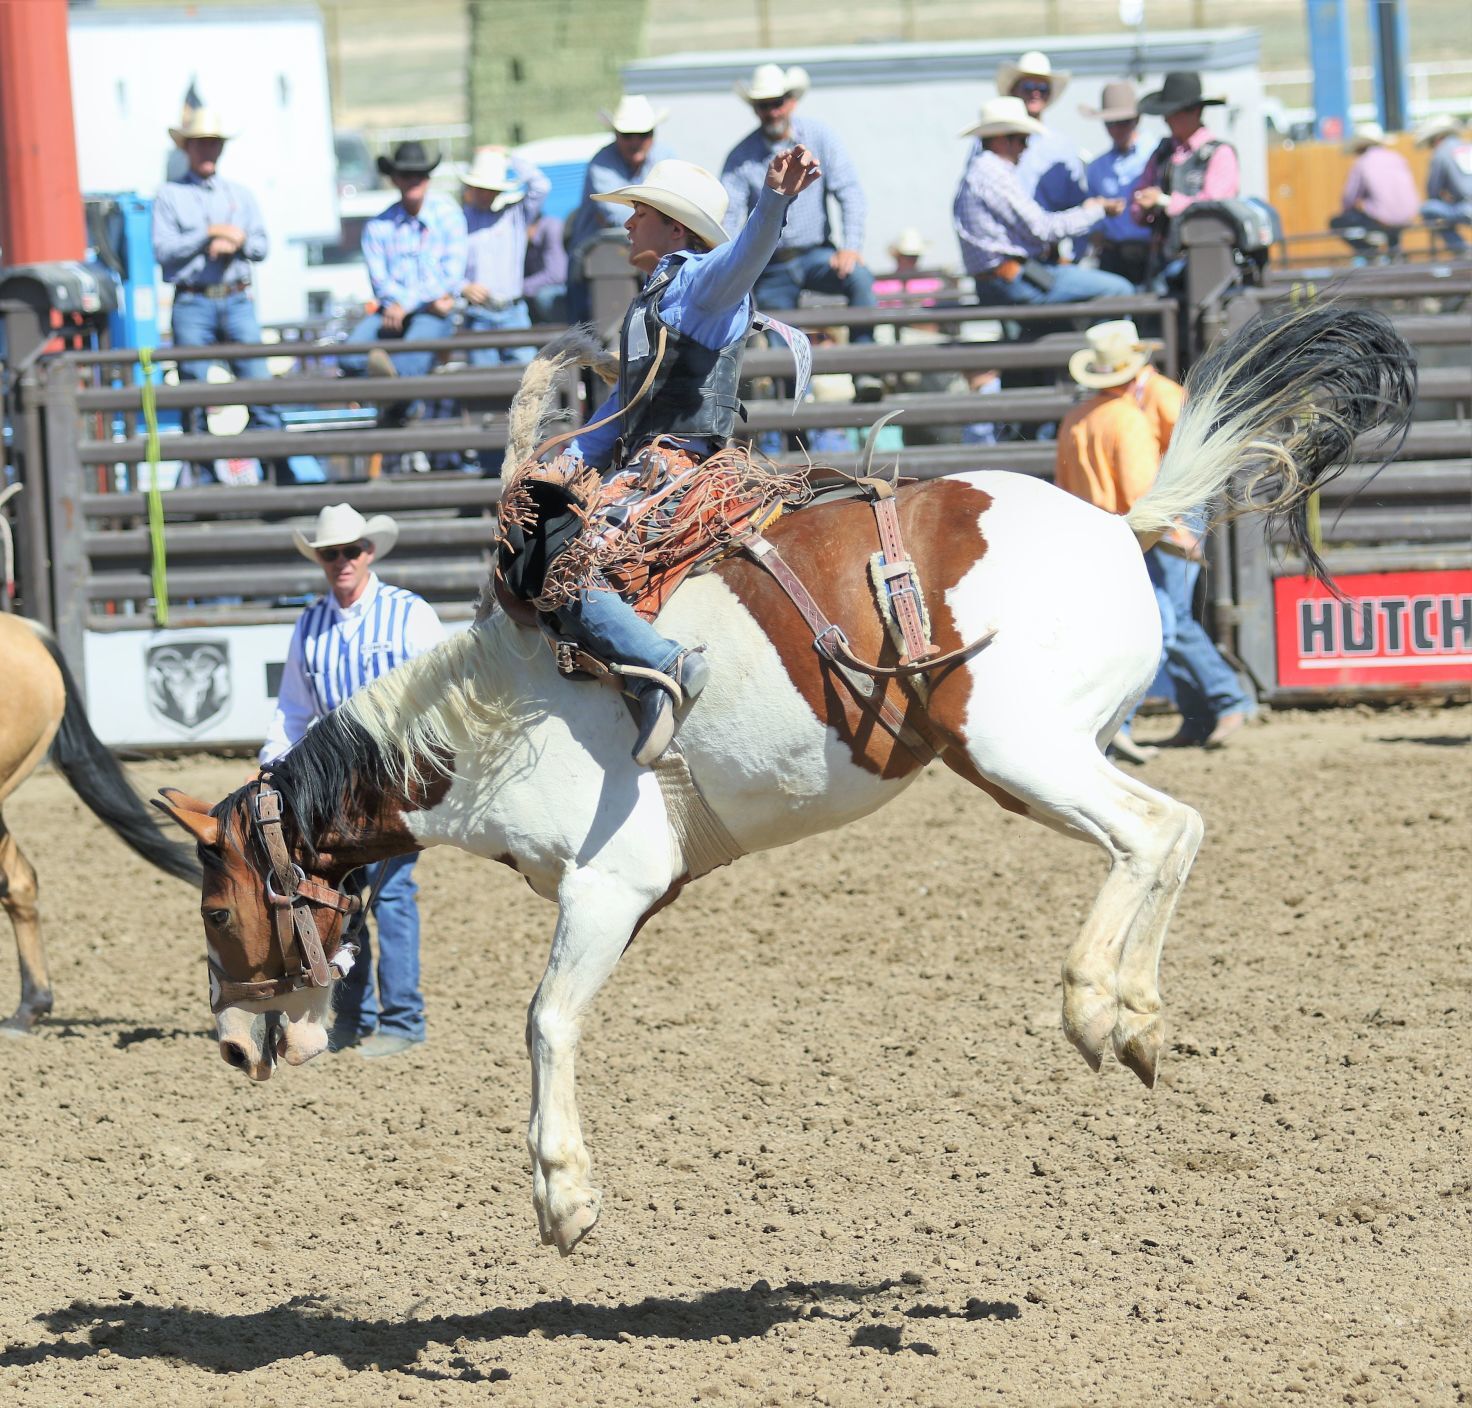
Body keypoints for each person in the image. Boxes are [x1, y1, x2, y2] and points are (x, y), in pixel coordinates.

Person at [498, 149, 823, 766]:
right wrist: (564, 463)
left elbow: (743, 259)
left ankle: (662, 665)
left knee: (561, 557)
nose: (626, 224)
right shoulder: (662, 296)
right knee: (536, 538)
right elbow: (623, 403)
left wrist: (775, 202)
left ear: (676, 228)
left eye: (639, 213)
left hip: (678, 463)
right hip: (645, 457)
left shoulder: (701, 283)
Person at [261, 503, 446, 1057]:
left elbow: (441, 695)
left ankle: (402, 1020)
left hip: (396, 781)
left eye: (350, 551)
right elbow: (293, 710)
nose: (341, 561)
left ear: (368, 553)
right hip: (333, 794)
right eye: (331, 553)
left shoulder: (409, 613)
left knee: (389, 895)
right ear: (320, 558)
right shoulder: (311, 624)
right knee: (342, 898)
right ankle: (357, 1018)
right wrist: (272, 760)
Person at [1058, 320, 1251, 754]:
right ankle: (1213, 707)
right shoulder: (1134, 410)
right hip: (1152, 513)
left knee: (1167, 618)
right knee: (1171, 618)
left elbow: (1191, 460)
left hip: (1167, 511)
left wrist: (1179, 526)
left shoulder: (1145, 402)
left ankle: (1140, 718)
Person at [152, 108, 324, 486]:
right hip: (193, 300)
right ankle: (200, 474)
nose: (207, 150)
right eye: (200, 144)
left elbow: (261, 245)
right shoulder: (169, 195)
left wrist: (237, 240)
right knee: (194, 392)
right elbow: (163, 251)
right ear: (188, 148)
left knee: (258, 385)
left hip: (235, 297)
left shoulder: (240, 195)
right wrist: (210, 234)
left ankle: (275, 468)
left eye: (213, 143)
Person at [721, 63, 879, 372]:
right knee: (781, 341)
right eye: (764, 105)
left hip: (816, 254)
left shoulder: (818, 136)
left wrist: (851, 247)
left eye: (776, 103)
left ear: (790, 101)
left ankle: (865, 369)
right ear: (755, 109)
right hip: (772, 265)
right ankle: (796, 402)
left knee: (859, 277)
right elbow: (728, 216)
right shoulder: (740, 157)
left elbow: (850, 193)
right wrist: (731, 263)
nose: (772, 112)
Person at [953, 97, 1133, 308]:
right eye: (1022, 139)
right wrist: (1096, 210)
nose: (1025, 148)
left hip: (1005, 278)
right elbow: (1044, 228)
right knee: (1121, 290)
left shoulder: (980, 171)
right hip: (1016, 280)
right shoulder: (994, 174)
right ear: (1002, 139)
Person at [340, 141, 467, 426]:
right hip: (409, 308)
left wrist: (404, 303)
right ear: (395, 179)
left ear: (427, 179)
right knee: (350, 355)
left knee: (410, 359)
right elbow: (379, 281)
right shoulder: (378, 225)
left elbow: (452, 275)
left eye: (419, 175)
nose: (413, 181)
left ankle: (396, 407)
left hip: (420, 312)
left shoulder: (448, 216)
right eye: (407, 175)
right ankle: (401, 402)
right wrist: (410, 301)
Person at [564, 95, 675, 323]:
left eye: (643, 135)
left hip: (648, 254)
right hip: (594, 259)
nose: (636, 141)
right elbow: (615, 213)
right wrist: (659, 217)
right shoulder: (601, 162)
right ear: (616, 135)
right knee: (584, 324)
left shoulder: (666, 158)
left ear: (653, 135)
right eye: (628, 136)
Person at [1129, 72, 1240, 288]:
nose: (1166, 119)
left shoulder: (1219, 153)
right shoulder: (1162, 153)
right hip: (1162, 260)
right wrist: (1144, 207)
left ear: (1194, 111)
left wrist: (1164, 201)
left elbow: (1214, 207)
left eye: (1173, 113)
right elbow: (1137, 204)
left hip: (1206, 262)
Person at [459, 147, 550, 366]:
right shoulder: (459, 220)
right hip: (479, 314)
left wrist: (511, 157)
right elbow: (445, 265)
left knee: (526, 379)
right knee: (483, 384)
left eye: (489, 188)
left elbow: (541, 187)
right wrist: (463, 287)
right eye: (479, 188)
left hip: (512, 312)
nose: (484, 193)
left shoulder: (515, 215)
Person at [1081, 81, 1154, 287]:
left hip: (1150, 253)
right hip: (1113, 255)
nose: (1116, 129)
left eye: (1123, 121)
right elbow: (1094, 215)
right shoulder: (1097, 167)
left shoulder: (1156, 154)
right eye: (1110, 123)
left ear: (1136, 119)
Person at [995, 50, 1087, 212]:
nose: (1035, 93)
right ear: (1014, 90)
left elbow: (1074, 204)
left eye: (1042, 88)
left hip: (1047, 235)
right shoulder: (994, 139)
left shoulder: (1062, 146)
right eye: (1028, 86)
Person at [1330, 123, 1419, 262]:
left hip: (1381, 218)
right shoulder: (1397, 158)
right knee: (1387, 217)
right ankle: (1394, 252)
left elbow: (1349, 198)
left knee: (1337, 222)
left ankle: (1371, 253)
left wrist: (1351, 209)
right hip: (1408, 216)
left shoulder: (1362, 162)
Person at [1416, 115, 1472, 253]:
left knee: (1428, 209)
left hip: (1466, 208)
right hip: (1465, 206)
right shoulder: (1468, 146)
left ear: (1437, 138)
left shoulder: (1441, 153)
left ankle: (1461, 249)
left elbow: (1433, 190)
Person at [872, 227, 944, 303]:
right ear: (898, 257)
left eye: (915, 257)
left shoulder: (932, 284)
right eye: (908, 257)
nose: (913, 261)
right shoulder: (882, 285)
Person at [524, 212, 568, 324]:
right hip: (538, 290)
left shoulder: (552, 228)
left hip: (565, 290)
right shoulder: (526, 241)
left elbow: (556, 275)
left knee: (544, 296)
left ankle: (565, 335)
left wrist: (518, 287)